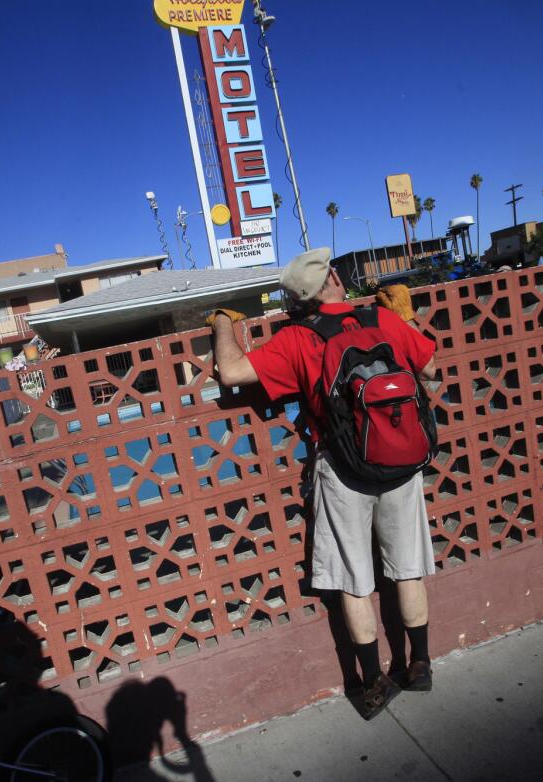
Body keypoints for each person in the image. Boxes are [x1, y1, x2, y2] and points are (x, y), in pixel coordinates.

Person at [209, 247, 438, 720]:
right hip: (402, 462)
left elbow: (231, 372)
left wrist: (222, 323)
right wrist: (404, 318)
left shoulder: (296, 339)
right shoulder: (382, 318)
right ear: (334, 281)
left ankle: (373, 683)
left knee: (356, 580)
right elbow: (431, 372)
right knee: (407, 568)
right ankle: (418, 665)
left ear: (298, 300)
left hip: (344, 468)